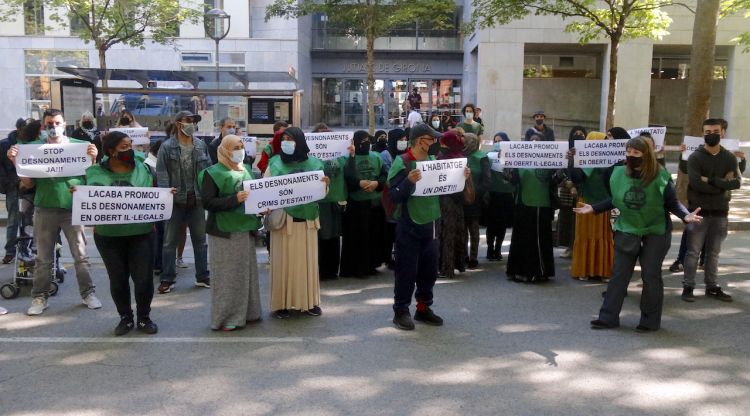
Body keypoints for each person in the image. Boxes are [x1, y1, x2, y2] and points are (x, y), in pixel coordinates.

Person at [577, 136, 701, 331]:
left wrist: (685, 216)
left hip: (655, 230)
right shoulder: (618, 173)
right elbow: (615, 199)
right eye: (628, 152)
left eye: (636, 152)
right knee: (619, 274)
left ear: (647, 155)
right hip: (627, 228)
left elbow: (671, 202)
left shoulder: (659, 175)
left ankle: (650, 321)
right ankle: (608, 317)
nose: (631, 155)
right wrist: (594, 208)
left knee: (651, 275)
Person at [7, 109, 101, 315]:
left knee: (81, 256)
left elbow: (91, 177)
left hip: (72, 208)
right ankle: (39, 297)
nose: (53, 127)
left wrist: (93, 159)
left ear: (64, 124)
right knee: (43, 258)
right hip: (44, 207)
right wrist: (17, 163)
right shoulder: (32, 149)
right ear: (43, 126)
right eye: (49, 123)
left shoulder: (78, 147)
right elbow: (28, 182)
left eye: (57, 122)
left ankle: (88, 293)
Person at [387, 124, 467, 330]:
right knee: (406, 270)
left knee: (429, 270)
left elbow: (447, 185)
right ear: (419, 140)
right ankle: (401, 310)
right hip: (409, 224)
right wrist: (408, 181)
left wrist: (462, 176)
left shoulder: (434, 161)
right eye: (431, 139)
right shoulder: (402, 162)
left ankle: (423, 308)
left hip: (432, 223)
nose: (435, 143)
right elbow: (394, 195)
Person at [84, 131, 159, 335]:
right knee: (118, 279)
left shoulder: (144, 168)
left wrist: (166, 196)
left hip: (142, 233)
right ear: (111, 151)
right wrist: (79, 195)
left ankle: (144, 317)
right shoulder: (94, 173)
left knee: (143, 279)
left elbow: (156, 191)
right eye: (124, 147)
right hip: (109, 236)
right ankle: (125, 318)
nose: (130, 151)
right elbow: (86, 200)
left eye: (131, 145)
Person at [199, 135, 262, 330]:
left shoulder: (246, 170)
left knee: (246, 273)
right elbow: (208, 202)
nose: (240, 150)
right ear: (225, 149)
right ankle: (227, 318)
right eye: (236, 147)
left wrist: (263, 206)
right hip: (224, 232)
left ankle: (249, 313)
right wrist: (234, 199)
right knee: (227, 276)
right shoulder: (212, 173)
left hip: (246, 229)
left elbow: (256, 196)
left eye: (241, 146)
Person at [267, 127, 329, 318]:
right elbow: (265, 188)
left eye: (291, 139)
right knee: (283, 264)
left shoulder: (315, 163)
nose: (286, 142)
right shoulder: (275, 162)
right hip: (284, 220)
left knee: (307, 264)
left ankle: (309, 302)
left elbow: (322, 193)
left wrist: (326, 184)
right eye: (284, 138)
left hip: (307, 219)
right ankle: (281, 304)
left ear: (300, 141)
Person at [681, 118, 742, 302]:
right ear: (702, 134)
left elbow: (737, 182)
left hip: (720, 212)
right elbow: (696, 183)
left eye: (715, 131)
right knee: (692, 252)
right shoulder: (695, 157)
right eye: (707, 132)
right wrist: (723, 184)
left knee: (714, 253)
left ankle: (712, 287)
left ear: (723, 133)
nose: (711, 135)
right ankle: (688, 287)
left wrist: (711, 180)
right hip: (698, 212)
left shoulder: (730, 158)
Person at [155, 111, 211, 294]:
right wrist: (165, 194)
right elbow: (162, 173)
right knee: (169, 242)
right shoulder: (166, 147)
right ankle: (167, 278)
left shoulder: (201, 146)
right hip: (174, 201)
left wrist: (207, 193)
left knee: (201, 241)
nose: (192, 124)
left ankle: (202, 276)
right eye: (188, 121)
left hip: (197, 200)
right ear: (178, 124)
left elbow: (208, 171)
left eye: (193, 121)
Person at [506, 133, 558, 283]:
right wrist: (507, 164)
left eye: (538, 140)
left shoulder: (549, 160)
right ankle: (519, 271)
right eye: (532, 140)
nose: (534, 142)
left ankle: (539, 271)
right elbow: (512, 180)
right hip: (523, 203)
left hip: (541, 204)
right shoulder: (520, 160)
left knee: (539, 239)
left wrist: (564, 163)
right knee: (521, 238)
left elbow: (556, 180)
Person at [568, 131, 614, 281]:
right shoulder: (582, 158)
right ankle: (584, 270)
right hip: (586, 201)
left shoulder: (610, 158)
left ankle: (603, 270)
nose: (605, 144)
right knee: (585, 235)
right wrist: (572, 161)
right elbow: (577, 178)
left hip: (604, 203)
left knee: (604, 236)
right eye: (603, 141)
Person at [340, 131, 386, 277]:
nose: (366, 142)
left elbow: (385, 175)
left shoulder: (376, 157)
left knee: (373, 235)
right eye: (363, 140)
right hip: (356, 204)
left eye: (368, 140)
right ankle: (355, 267)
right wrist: (358, 183)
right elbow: (346, 178)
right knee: (356, 237)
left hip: (374, 204)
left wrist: (376, 183)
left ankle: (371, 265)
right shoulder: (348, 158)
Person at [315, 123, 347, 280]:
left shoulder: (340, 154)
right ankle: (319, 270)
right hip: (320, 201)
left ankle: (332, 270)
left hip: (336, 200)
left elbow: (346, 166)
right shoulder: (311, 156)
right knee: (320, 236)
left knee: (334, 236)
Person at [436, 130, 466, 279]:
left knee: (446, 234)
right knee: (455, 233)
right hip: (457, 201)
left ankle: (446, 268)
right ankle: (456, 264)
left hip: (446, 201)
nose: (440, 144)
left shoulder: (445, 158)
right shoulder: (459, 156)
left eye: (443, 141)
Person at [556, 126, 587, 258]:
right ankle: (569, 247)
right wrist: (568, 183)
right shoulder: (565, 151)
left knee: (580, 221)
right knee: (567, 220)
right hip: (567, 191)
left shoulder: (588, 152)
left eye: (581, 134)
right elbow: (560, 169)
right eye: (576, 134)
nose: (578, 136)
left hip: (583, 190)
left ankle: (579, 248)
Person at [0, 118, 26, 264]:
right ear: (18, 129)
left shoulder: (30, 143)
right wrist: (9, 183)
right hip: (12, 186)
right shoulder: (4, 144)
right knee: (13, 220)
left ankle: (26, 248)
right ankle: (10, 250)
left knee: (28, 220)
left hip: (28, 186)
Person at [485, 132, 514, 261]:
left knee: (502, 225)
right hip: (493, 194)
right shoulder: (488, 156)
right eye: (495, 140)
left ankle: (498, 249)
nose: (497, 143)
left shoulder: (513, 156)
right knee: (491, 225)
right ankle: (490, 249)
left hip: (506, 194)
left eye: (500, 140)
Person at [463, 132, 490, 269]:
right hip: (460, 198)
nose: (463, 142)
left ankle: (473, 257)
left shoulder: (482, 157)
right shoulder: (461, 156)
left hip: (475, 199)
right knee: (462, 230)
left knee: (473, 229)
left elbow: (487, 181)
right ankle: (463, 256)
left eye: (465, 140)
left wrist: (474, 193)